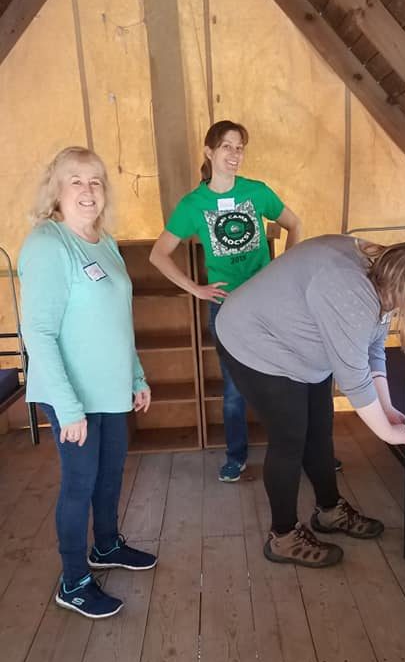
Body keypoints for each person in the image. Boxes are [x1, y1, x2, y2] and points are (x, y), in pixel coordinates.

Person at [215, 236, 405, 567]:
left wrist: (385, 407)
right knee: (290, 439)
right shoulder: (349, 288)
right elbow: (353, 376)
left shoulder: (382, 278)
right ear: (403, 282)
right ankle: (282, 537)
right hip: (255, 341)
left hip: (301, 343)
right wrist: (387, 433)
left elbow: (371, 349)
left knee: (320, 431)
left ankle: (329, 511)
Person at [19, 146, 157, 620]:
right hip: (71, 393)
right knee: (80, 483)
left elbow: (119, 320)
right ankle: (74, 581)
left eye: (96, 180)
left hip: (111, 388)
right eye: (75, 180)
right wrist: (68, 406)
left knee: (110, 473)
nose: (88, 190)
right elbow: (37, 332)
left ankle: (107, 545)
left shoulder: (108, 243)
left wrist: (135, 375)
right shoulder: (48, 243)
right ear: (55, 189)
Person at [149, 120, 302, 481]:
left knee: (285, 379)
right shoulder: (193, 204)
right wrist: (196, 289)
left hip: (267, 304)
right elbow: (158, 254)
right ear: (209, 152)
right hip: (227, 308)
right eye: (227, 147)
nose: (235, 155)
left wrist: (283, 271)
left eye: (240, 147)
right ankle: (236, 456)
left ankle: (300, 450)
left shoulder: (257, 192)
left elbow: (294, 223)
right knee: (234, 389)